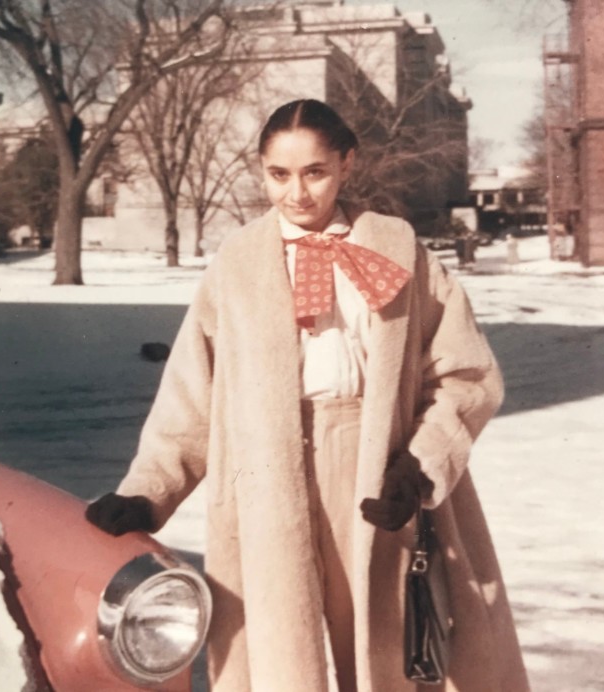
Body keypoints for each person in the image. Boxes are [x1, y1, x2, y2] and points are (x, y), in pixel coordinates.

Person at [86, 99, 529, 692]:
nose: (297, 193)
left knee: (385, 642)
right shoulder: (238, 265)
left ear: (347, 164)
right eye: (279, 174)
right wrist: (148, 494)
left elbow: (466, 374)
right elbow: (192, 393)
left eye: (315, 172)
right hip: (266, 475)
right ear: (261, 171)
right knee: (277, 643)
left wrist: (419, 464)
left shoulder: (398, 252)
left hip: (376, 468)